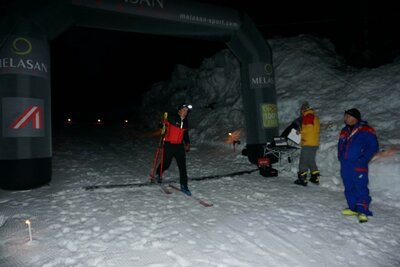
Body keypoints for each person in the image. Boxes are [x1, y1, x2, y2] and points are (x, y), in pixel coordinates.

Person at [338, 108, 379, 223]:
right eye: (345, 116)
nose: (345, 118)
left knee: (360, 187)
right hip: (345, 164)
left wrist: (363, 160)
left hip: (358, 164)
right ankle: (353, 208)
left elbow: (373, 146)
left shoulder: (366, 130)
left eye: (348, 116)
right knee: (349, 186)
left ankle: (362, 210)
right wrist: (340, 157)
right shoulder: (344, 130)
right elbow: (341, 146)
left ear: (355, 118)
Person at [156, 103, 192, 195]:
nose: (185, 112)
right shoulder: (171, 118)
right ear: (179, 111)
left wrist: (187, 143)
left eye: (187, 111)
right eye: (184, 110)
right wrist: (162, 123)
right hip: (169, 144)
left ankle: (184, 185)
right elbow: (161, 126)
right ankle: (158, 173)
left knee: (182, 167)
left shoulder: (186, 121)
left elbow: (185, 134)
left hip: (179, 146)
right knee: (166, 163)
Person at [294, 102, 321, 186]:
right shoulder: (315, 117)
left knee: (303, 161)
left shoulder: (308, 116)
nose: (301, 112)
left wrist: (300, 131)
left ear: (304, 109)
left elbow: (309, 128)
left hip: (308, 142)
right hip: (314, 143)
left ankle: (302, 179)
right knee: (310, 160)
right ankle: (315, 177)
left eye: (301, 109)